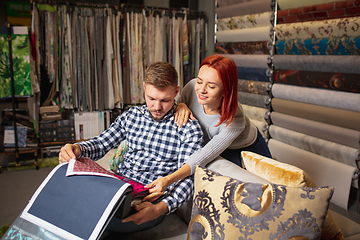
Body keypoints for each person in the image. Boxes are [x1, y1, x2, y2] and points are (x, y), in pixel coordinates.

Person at [58, 61, 203, 232]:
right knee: (65, 196)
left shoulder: (188, 128)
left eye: (165, 100)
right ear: (143, 88)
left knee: (84, 217)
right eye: (151, 98)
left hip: (147, 202)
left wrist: (159, 209)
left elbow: (188, 177)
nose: (157, 107)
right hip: (118, 188)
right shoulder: (132, 116)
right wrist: (78, 148)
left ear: (176, 92)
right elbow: (102, 143)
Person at [144, 55, 272, 202]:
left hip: (246, 146)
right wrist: (181, 105)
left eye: (211, 86)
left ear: (226, 90)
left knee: (267, 189)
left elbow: (204, 155)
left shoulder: (235, 120)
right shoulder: (192, 87)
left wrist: (169, 179)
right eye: (199, 81)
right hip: (211, 143)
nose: (201, 90)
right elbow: (175, 106)